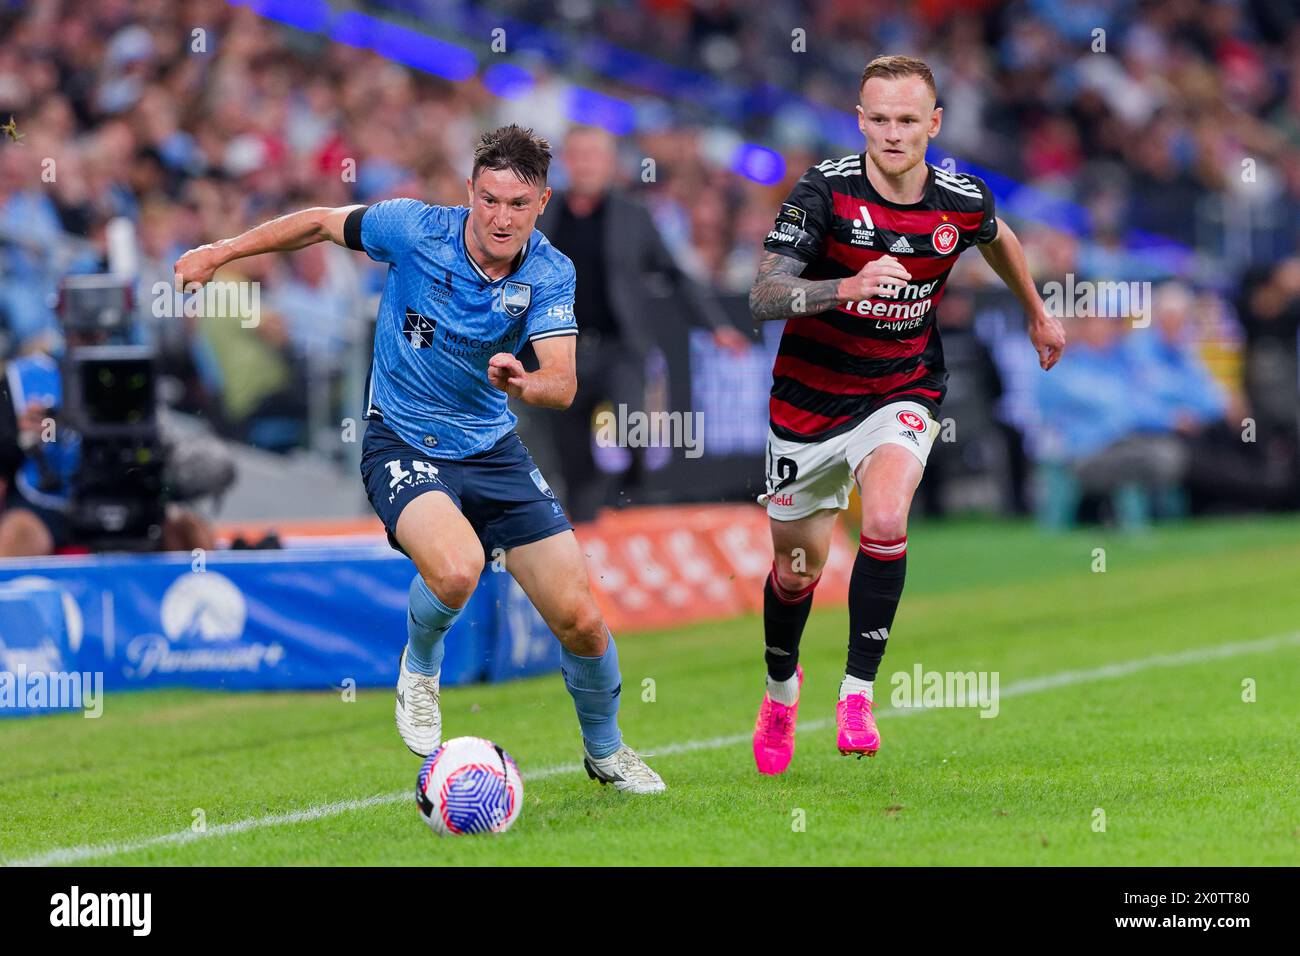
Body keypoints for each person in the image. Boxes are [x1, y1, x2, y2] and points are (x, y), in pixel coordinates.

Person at [173, 125, 665, 793]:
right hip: (401, 440)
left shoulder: (550, 270)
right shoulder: (413, 229)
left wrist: (523, 381)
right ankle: (422, 670)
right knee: (458, 568)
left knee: (580, 618)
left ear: (542, 202)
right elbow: (319, 222)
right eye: (488, 199)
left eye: (517, 204)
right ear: (469, 191)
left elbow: (564, 382)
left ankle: (606, 753)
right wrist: (219, 252)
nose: (500, 217)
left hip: (492, 447)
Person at [746, 55, 1066, 773]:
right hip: (809, 403)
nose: (893, 134)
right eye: (879, 119)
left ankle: (857, 693)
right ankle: (779, 689)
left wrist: (1038, 314)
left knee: (886, 519)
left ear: (935, 124)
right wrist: (844, 288)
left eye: (907, 121)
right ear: (861, 121)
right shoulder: (823, 192)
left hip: (903, 387)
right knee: (797, 572)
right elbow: (762, 294)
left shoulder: (958, 197)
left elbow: (999, 235)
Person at [535, 125, 748, 520]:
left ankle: (629, 498)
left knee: (634, 427)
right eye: (578, 156)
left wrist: (715, 326)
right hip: (559, 353)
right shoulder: (543, 217)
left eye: (595, 156)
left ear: (610, 164)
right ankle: (586, 530)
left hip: (620, 350)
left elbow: (675, 274)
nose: (586, 165)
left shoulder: (633, 216)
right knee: (572, 454)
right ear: (565, 162)